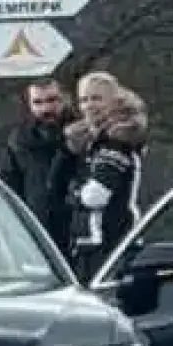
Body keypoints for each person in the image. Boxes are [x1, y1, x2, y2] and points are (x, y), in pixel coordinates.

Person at [63, 72, 148, 280]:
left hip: (113, 245)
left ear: (115, 101)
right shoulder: (92, 141)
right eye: (83, 100)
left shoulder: (116, 142)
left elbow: (95, 196)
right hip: (89, 244)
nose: (89, 106)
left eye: (96, 98)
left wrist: (73, 194)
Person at [0, 78, 77, 251]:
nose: (46, 109)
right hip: (37, 230)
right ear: (29, 105)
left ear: (65, 99)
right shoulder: (19, 141)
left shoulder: (81, 135)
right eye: (38, 102)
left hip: (75, 229)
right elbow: (9, 185)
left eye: (52, 100)